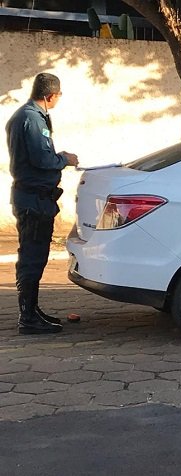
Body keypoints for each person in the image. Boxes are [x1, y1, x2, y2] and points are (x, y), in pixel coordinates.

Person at [6, 72, 79, 334]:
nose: (58, 99)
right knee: (32, 257)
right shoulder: (32, 119)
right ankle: (27, 317)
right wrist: (65, 159)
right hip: (34, 201)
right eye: (58, 96)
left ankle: (31, 310)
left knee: (33, 255)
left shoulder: (26, 115)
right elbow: (42, 159)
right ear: (50, 96)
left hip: (33, 198)